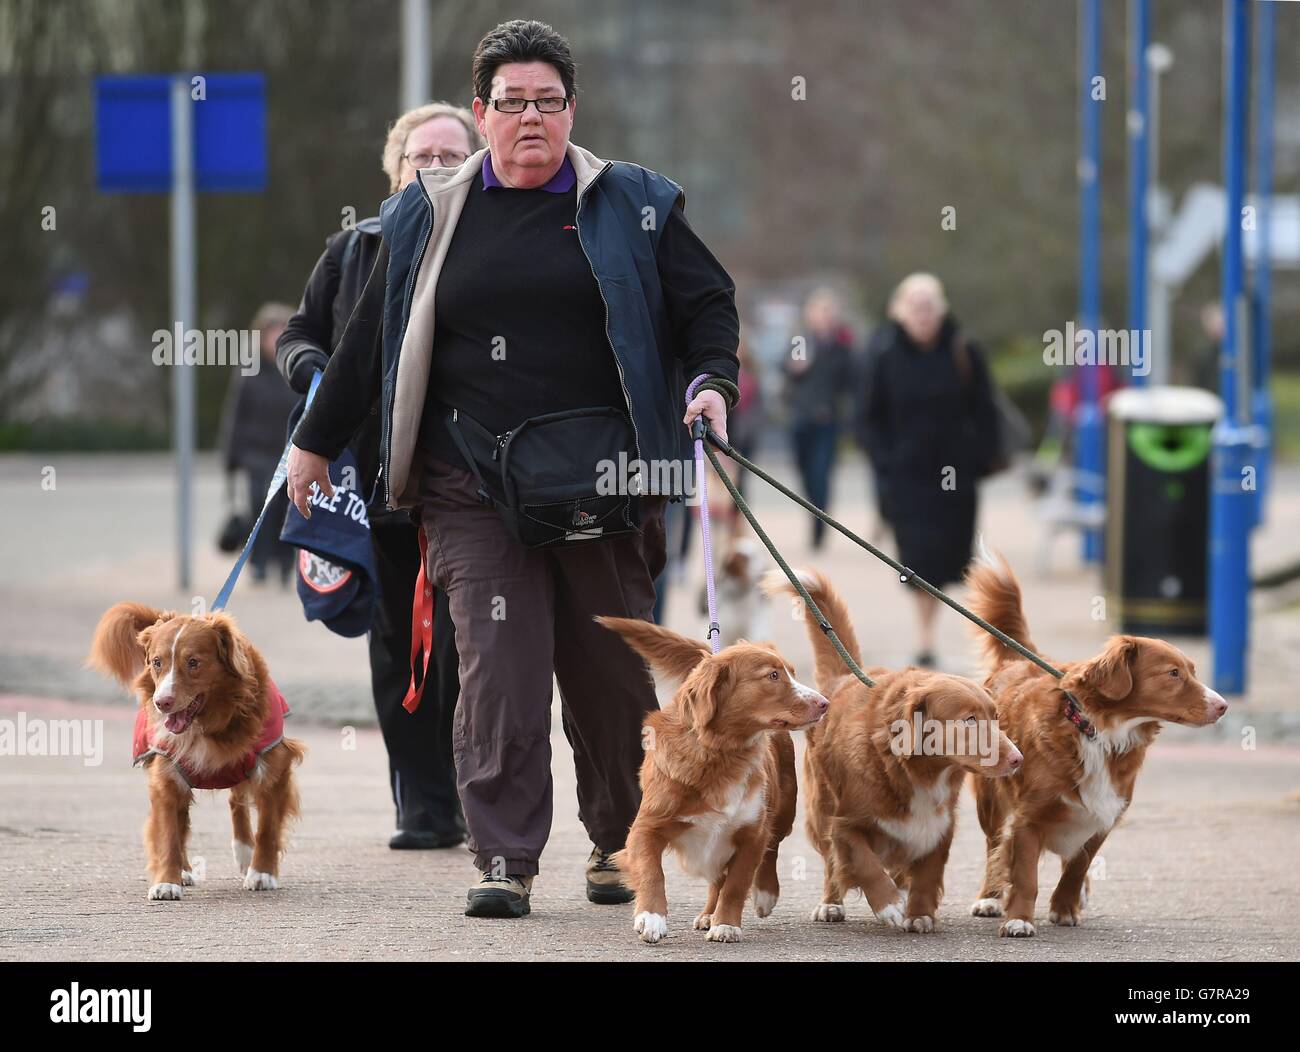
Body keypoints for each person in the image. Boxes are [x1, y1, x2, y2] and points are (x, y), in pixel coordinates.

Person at [285, 19, 740, 919]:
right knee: (499, 666)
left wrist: (710, 381)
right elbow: (369, 338)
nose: (530, 118)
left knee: (610, 669)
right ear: (480, 112)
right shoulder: (429, 211)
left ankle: (619, 840)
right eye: (511, 103)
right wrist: (314, 439)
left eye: (548, 101)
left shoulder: (636, 201)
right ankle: (505, 858)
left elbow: (707, 303)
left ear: (573, 108)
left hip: (604, 481)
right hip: (471, 480)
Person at [276, 103, 482, 852]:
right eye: (418, 154)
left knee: (474, 647)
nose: (432, 164)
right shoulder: (352, 248)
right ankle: (423, 807)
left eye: (448, 153)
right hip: (381, 485)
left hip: (475, 484)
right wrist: (311, 373)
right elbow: (301, 332)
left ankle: (471, 795)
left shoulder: (494, 241)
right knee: (399, 646)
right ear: (393, 171)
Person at [862, 273, 999, 668]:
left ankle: (930, 631)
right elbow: (869, 418)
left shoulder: (965, 351)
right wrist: (884, 462)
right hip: (907, 479)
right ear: (900, 311)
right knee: (915, 559)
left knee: (947, 559)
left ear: (941, 310)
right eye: (915, 305)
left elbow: (984, 409)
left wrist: (979, 459)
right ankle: (924, 636)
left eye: (929, 305)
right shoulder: (885, 355)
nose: (923, 314)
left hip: (956, 476)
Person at [219, 303, 299, 585]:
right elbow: (236, 417)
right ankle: (259, 564)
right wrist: (231, 459)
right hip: (257, 456)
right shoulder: (249, 372)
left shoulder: (295, 369)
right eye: (271, 334)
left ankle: (287, 565)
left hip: (289, 453)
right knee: (258, 510)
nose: (275, 341)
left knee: (288, 509)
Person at [782, 287, 855, 549]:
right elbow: (790, 370)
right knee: (804, 473)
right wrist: (796, 366)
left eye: (829, 311)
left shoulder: (841, 345)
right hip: (800, 418)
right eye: (820, 310)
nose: (825, 316)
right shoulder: (802, 340)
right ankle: (814, 512)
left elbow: (852, 381)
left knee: (821, 473)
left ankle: (819, 523)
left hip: (827, 419)